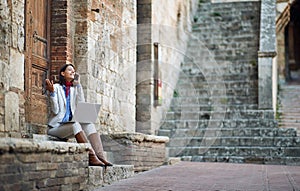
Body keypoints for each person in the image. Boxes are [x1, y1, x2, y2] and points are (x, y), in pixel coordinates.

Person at [45, 64, 112, 167]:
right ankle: (91, 156)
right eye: (70, 70)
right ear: (63, 73)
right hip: (56, 128)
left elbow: (81, 104)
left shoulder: (74, 89)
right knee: (75, 124)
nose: (73, 72)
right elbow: (55, 110)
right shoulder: (56, 88)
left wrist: (78, 85)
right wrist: (52, 93)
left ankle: (101, 156)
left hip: (70, 127)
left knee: (89, 124)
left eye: (74, 71)